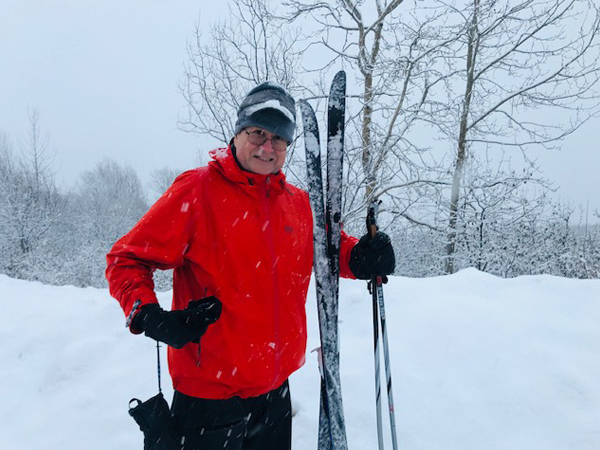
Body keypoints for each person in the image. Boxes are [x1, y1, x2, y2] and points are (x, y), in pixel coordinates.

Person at [106, 81, 395, 450]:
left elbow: (330, 252)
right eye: (258, 133)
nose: (267, 147)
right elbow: (126, 258)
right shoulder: (197, 191)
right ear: (238, 133)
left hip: (274, 392)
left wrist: (362, 256)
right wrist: (147, 313)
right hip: (209, 398)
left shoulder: (298, 204)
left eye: (278, 139)